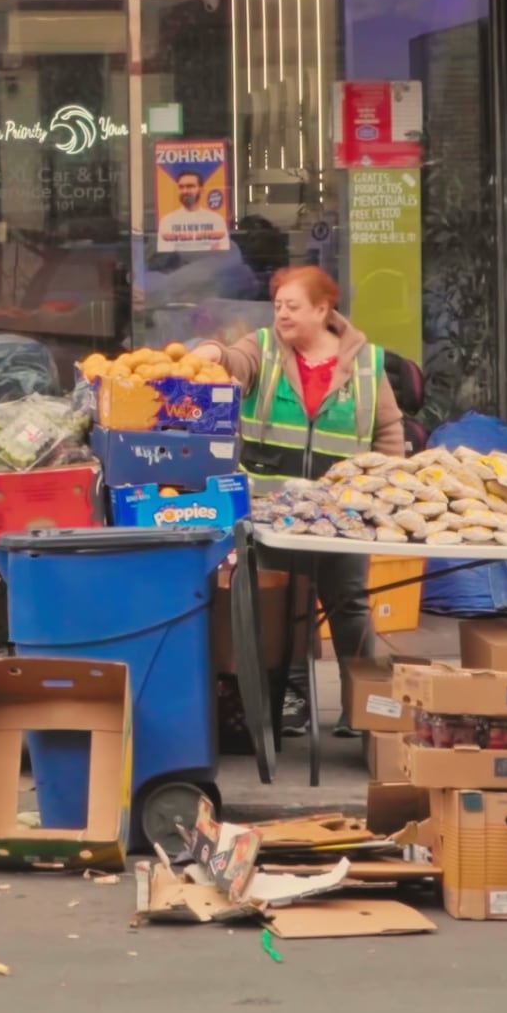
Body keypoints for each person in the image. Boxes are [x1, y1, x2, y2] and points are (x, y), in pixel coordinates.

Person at [198, 267, 408, 735]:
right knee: (282, 606)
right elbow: (234, 362)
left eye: (293, 305)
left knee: (348, 603)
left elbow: (389, 429)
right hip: (273, 514)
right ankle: (291, 700)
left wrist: (389, 492)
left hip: (343, 513)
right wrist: (212, 352)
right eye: (277, 305)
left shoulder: (369, 362)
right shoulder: (264, 348)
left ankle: (362, 707)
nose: (282, 314)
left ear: (322, 309)